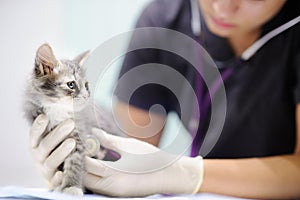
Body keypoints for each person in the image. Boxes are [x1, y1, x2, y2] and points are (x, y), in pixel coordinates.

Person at [29, 0, 300, 199]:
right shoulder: (163, 19)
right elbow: (129, 153)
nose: (222, 8)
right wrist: (83, 165)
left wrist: (180, 174)